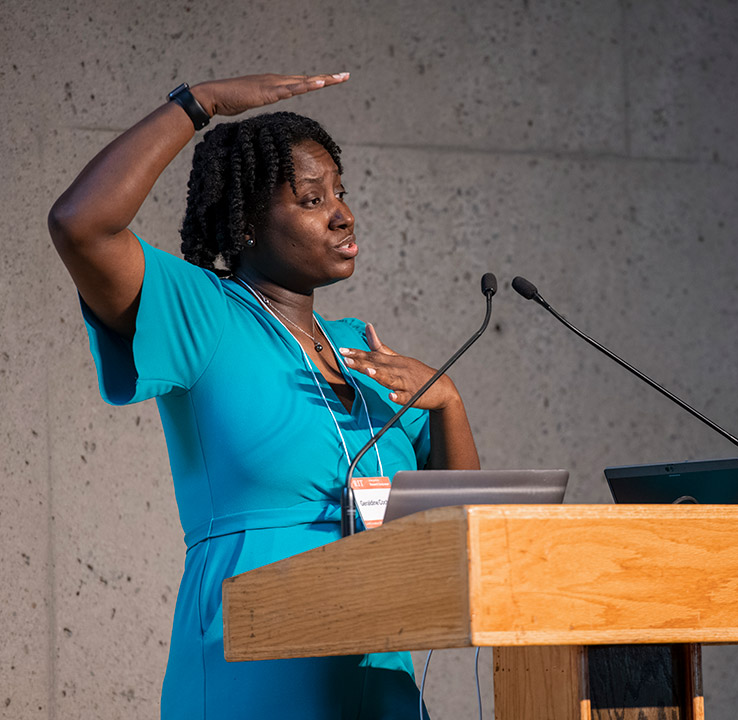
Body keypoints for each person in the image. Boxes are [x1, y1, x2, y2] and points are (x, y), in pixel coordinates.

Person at [48, 73, 480, 719]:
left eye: (341, 192)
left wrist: (448, 402)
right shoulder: (202, 313)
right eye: (311, 199)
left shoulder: (364, 349)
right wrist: (199, 105)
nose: (343, 213)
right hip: (254, 663)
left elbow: (461, 532)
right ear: (248, 223)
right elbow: (80, 224)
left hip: (378, 670)